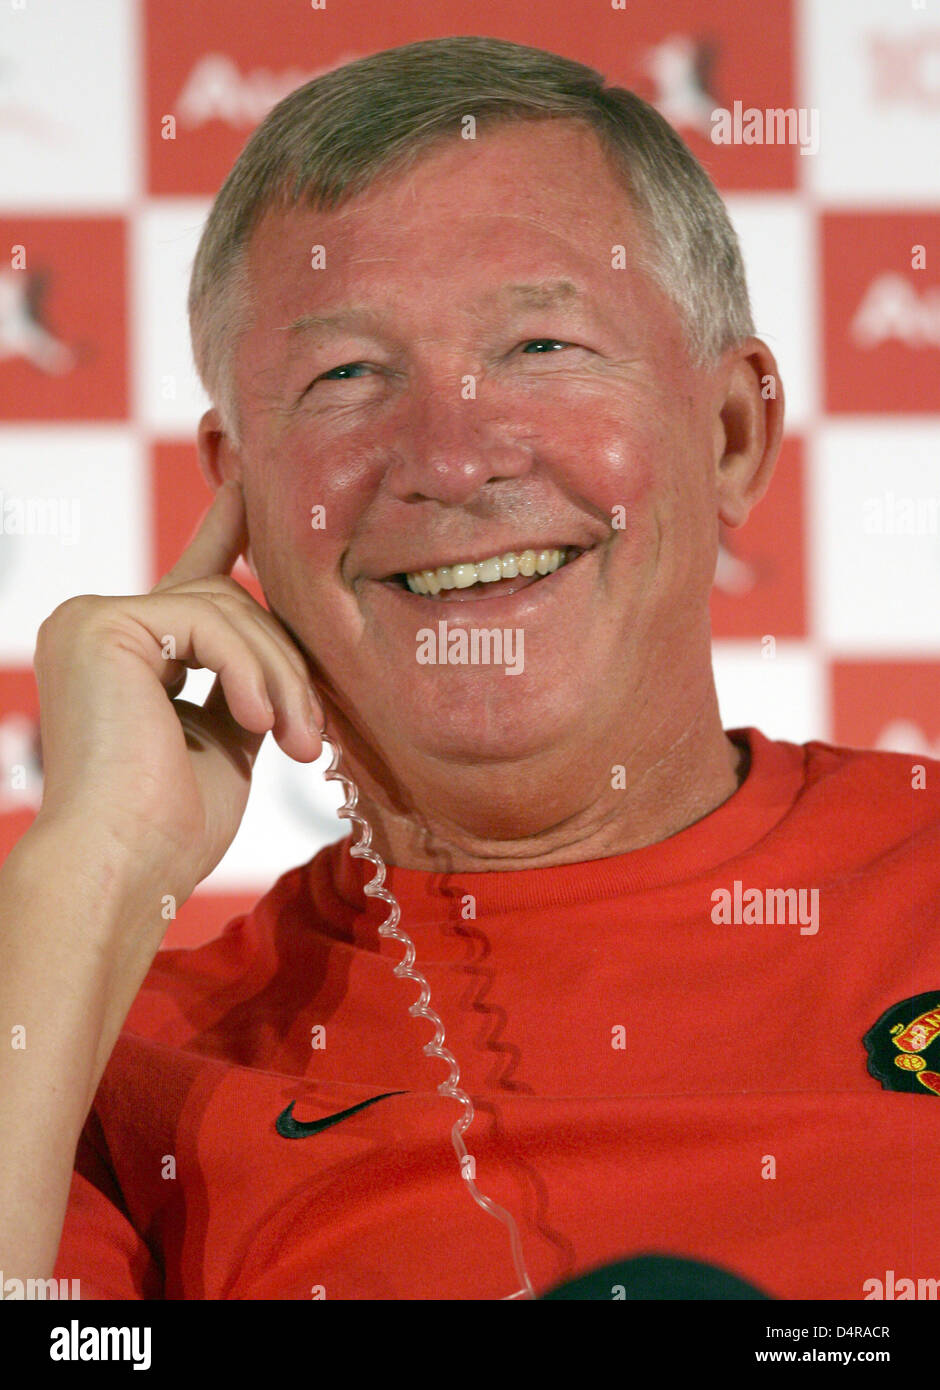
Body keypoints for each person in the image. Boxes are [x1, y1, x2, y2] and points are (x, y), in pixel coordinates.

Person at [1, 35, 937, 1302]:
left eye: (542, 348)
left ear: (729, 434)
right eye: (344, 376)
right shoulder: (96, 1058)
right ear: (242, 497)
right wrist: (89, 869)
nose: (450, 457)